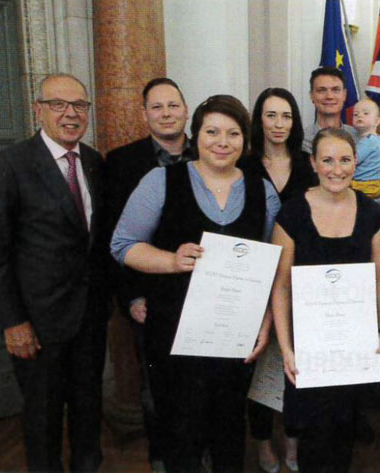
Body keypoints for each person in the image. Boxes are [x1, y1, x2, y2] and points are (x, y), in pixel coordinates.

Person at [110, 95, 280, 473]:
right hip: (173, 333)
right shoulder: (161, 181)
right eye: (212, 131)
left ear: (245, 140)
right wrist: (170, 260)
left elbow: (272, 267)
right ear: (196, 134)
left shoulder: (262, 192)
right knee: (179, 432)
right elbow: (122, 245)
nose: (223, 141)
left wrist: (266, 324)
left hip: (233, 336)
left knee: (229, 432)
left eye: (233, 133)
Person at [0, 73, 109, 472]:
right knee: (43, 418)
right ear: (38, 109)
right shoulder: (8, 165)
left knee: (89, 410)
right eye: (58, 104)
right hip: (36, 323)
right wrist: (13, 321)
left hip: (89, 317)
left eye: (79, 106)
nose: (70, 114)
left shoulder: (94, 162)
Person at [271, 128, 380, 472]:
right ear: (313, 163)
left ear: (356, 162)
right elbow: (281, 286)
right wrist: (287, 348)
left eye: (345, 160)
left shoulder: (373, 214)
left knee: (343, 436)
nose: (336, 169)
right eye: (327, 160)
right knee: (311, 440)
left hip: (352, 348)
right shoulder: (291, 214)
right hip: (308, 349)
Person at [104, 76, 192, 473]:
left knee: (200, 385)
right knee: (157, 388)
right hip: (151, 297)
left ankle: (199, 454)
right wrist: (132, 297)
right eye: (157, 107)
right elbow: (115, 240)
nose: (166, 113)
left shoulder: (212, 151)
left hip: (204, 292)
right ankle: (161, 458)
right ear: (144, 115)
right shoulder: (122, 163)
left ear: (186, 110)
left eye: (173, 105)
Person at [237, 87, 314, 473]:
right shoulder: (244, 165)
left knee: (296, 366)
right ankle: (264, 443)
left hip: (299, 279)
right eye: (271, 115)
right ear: (259, 121)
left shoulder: (309, 165)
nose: (279, 124)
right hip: (254, 277)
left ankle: (295, 443)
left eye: (286, 116)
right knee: (258, 365)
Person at [303, 66, 380, 209]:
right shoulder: (301, 141)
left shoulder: (364, 137)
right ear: (311, 96)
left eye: (335, 90)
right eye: (321, 90)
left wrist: (359, 212)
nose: (329, 96)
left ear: (344, 95)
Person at [351, 98, 380, 199]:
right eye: (355, 114)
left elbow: (352, 160)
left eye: (366, 113)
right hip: (377, 186)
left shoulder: (368, 142)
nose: (360, 115)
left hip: (362, 186)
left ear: (377, 121)